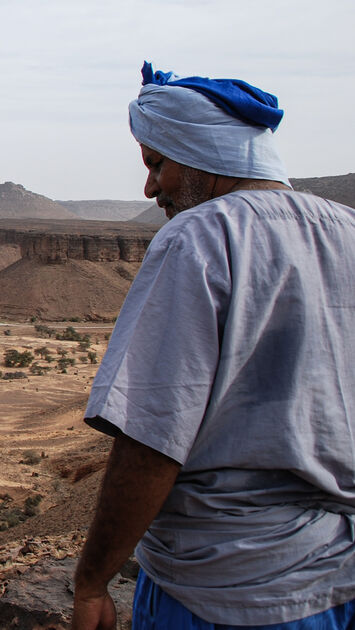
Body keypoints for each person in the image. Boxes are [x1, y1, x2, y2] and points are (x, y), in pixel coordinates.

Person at [73, 63, 355, 629]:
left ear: (202, 154)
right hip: (339, 575)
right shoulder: (347, 229)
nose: (150, 187)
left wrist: (93, 580)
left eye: (157, 164)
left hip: (220, 590)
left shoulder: (200, 236)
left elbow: (152, 438)